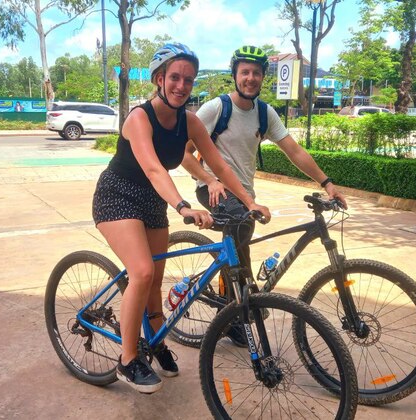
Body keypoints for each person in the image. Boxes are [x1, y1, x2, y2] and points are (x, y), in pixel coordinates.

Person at [91, 42, 271, 394]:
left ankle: (154, 342)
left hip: (152, 202)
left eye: (188, 80)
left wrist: (248, 200)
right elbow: (155, 169)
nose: (181, 85)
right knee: (141, 271)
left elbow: (218, 165)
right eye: (175, 77)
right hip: (118, 196)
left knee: (154, 279)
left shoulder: (188, 121)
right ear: (159, 78)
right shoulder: (139, 117)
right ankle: (128, 360)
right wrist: (184, 206)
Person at [181, 46, 348, 345]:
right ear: (235, 75)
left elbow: (294, 150)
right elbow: (184, 154)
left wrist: (327, 182)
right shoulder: (216, 109)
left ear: (262, 78)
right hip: (213, 189)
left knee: (242, 231)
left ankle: (236, 305)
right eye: (245, 72)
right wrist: (208, 178)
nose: (250, 78)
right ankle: (241, 306)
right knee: (241, 223)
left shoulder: (263, 113)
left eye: (256, 73)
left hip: (244, 193)